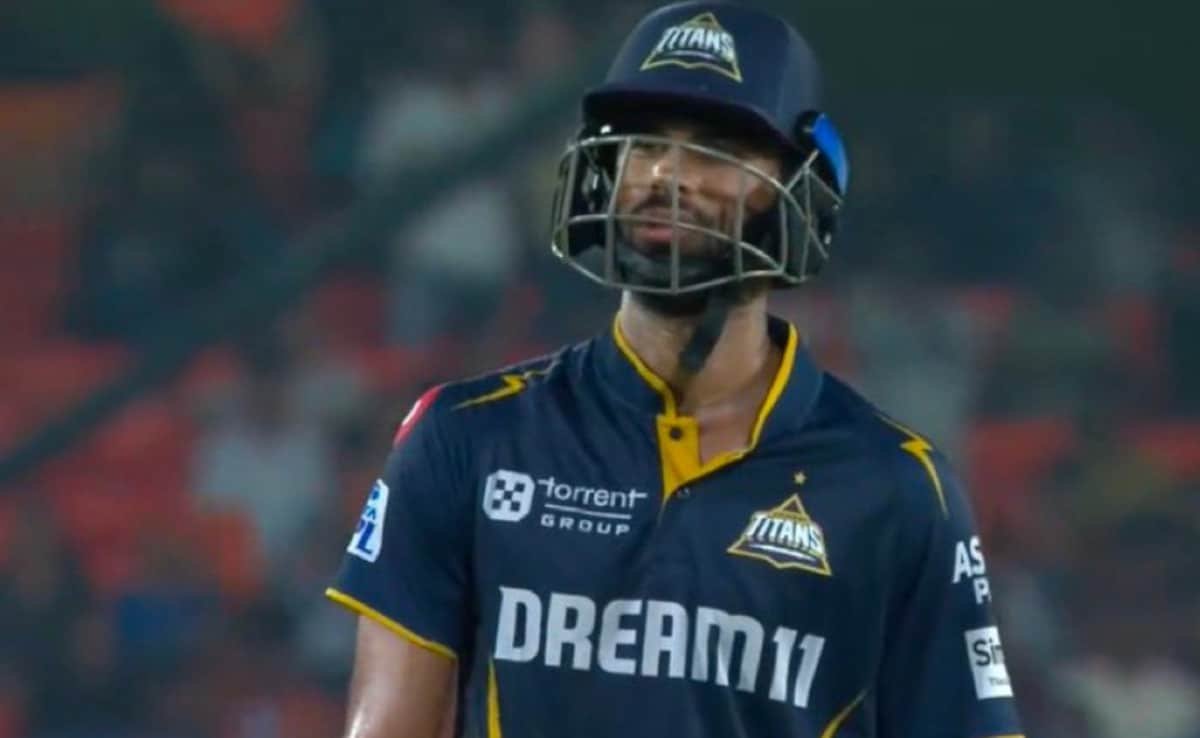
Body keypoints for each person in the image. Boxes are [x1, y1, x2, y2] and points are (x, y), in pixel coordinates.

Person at [326, 3, 1025, 737]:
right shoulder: (465, 441)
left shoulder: (896, 491)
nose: (667, 173)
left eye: (717, 148)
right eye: (646, 142)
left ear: (798, 188)